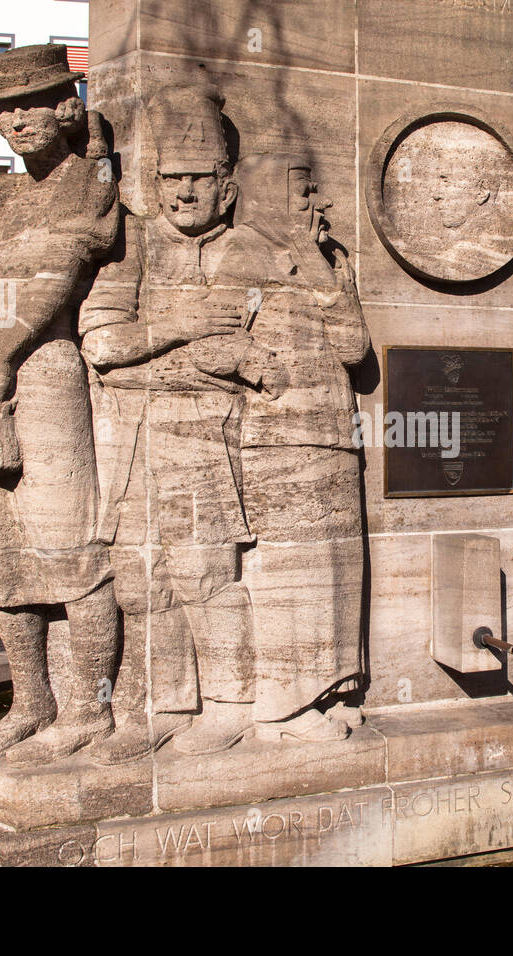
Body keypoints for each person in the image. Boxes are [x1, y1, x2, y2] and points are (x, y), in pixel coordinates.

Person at [78, 81, 285, 762]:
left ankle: (228, 707)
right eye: (172, 178)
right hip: (132, 447)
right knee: (141, 586)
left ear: (227, 184)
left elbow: (238, 362)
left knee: (206, 580)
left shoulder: (251, 250)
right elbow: (102, 346)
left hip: (209, 447)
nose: (185, 193)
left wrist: (162, 355)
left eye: (200, 178)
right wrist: (181, 327)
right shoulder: (131, 246)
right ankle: (161, 709)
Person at [0, 45, 121, 766]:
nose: (16, 120)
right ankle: (29, 702)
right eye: (5, 109)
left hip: (42, 373)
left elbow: (56, 278)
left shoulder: (89, 183)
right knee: (3, 561)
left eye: (32, 103)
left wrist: (0, 355)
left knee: (69, 548)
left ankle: (88, 709)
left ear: (66, 107)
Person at [213, 153, 371, 742]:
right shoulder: (242, 253)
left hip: (333, 434)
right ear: (268, 195)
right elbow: (216, 338)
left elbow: (355, 348)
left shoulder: (329, 261)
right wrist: (258, 369)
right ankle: (282, 709)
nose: (318, 203)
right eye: (304, 191)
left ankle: (326, 690)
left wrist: (317, 268)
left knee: (335, 568)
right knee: (287, 571)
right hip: (273, 440)